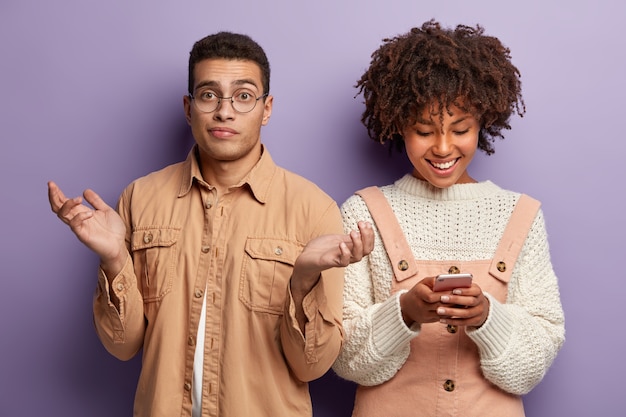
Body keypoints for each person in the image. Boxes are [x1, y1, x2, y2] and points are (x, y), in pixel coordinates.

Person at [48, 31, 373, 417]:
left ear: (266, 108)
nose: (224, 111)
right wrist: (115, 259)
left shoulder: (313, 209)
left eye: (243, 96)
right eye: (209, 95)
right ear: (189, 108)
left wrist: (303, 281)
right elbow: (123, 345)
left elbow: (311, 366)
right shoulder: (140, 197)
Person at [332, 20, 565, 416]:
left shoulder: (521, 215)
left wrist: (488, 317)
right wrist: (404, 312)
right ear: (398, 126)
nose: (443, 148)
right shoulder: (362, 212)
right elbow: (343, 358)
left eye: (460, 129)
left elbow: (536, 360)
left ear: (482, 122)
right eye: (424, 130)